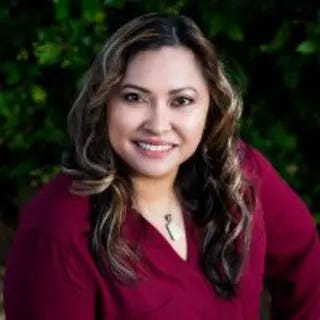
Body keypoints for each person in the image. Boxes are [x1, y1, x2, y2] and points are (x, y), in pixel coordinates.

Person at [3, 13, 320, 320]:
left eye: (181, 100)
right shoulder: (57, 231)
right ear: (103, 103)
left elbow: (307, 263)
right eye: (133, 97)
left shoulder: (240, 172)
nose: (157, 124)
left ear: (211, 105)